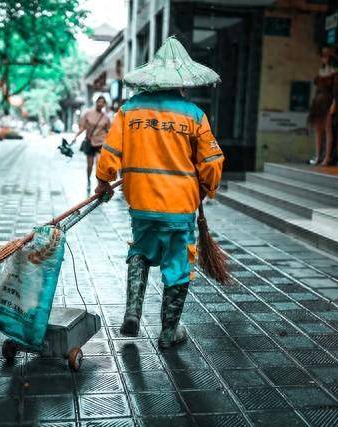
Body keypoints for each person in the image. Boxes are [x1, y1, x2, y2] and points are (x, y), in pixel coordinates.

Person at [94, 37, 224, 349]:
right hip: (180, 208)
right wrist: (208, 187)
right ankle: (169, 331)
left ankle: (132, 312)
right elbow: (211, 162)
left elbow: (110, 153)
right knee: (178, 265)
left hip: (141, 205)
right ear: (182, 81)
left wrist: (102, 182)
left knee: (140, 252)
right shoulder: (194, 115)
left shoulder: (128, 111)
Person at [308, 47, 338, 166]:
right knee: (318, 129)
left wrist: (334, 103)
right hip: (318, 101)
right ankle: (318, 156)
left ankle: (327, 157)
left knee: (328, 129)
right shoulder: (321, 71)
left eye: (326, 56)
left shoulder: (335, 72)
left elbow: (336, 90)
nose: (323, 58)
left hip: (328, 100)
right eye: (323, 55)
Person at [72, 96, 111, 190]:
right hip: (90, 142)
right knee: (89, 165)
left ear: (104, 104)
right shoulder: (88, 114)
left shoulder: (106, 118)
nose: (100, 103)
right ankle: (88, 180)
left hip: (101, 143)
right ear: (96, 102)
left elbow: (109, 132)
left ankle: (99, 183)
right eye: (99, 101)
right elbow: (82, 127)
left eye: (102, 102)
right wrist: (75, 137)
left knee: (98, 163)